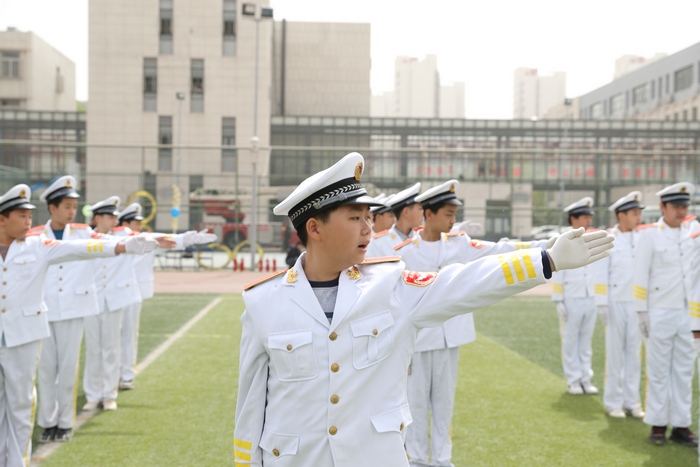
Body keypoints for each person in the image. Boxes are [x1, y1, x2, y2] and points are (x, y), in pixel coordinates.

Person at [233, 152, 613, 466]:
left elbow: (465, 281)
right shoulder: (264, 303)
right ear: (314, 228)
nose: (368, 229)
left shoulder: (391, 286)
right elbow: (250, 414)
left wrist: (545, 260)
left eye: (368, 217)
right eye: (355, 218)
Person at [0, 184, 161, 466]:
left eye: (29, 216)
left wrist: (123, 246)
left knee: (22, 403)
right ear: (2, 219)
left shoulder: (38, 245)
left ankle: (20, 459)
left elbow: (82, 247)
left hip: (27, 333)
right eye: (21, 216)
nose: (28, 221)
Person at [397, 179, 554, 467]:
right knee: (415, 402)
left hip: (449, 336)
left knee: (444, 402)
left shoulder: (460, 243)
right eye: (448, 213)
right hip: (418, 340)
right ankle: (417, 460)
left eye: (454, 214)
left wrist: (546, 247)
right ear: (428, 214)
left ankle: (442, 459)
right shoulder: (404, 251)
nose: (453, 219)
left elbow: (501, 250)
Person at [33, 176, 103, 443]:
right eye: (67, 206)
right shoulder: (36, 236)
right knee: (46, 370)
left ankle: (64, 423)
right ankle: (47, 422)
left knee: (68, 369)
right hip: (44, 309)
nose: (72, 212)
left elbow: (111, 243)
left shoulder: (85, 233)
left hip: (73, 308)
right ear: (52, 208)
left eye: (75, 206)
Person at [634, 182, 697, 446]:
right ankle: (658, 424)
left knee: (684, 371)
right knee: (658, 370)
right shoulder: (650, 235)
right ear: (662, 207)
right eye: (675, 206)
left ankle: (681, 425)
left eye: (684, 206)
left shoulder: (693, 233)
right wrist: (641, 311)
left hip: (687, 313)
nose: (681, 211)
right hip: (659, 311)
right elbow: (641, 274)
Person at [593, 191, 645, 419]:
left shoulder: (643, 238)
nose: (638, 218)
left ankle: (632, 402)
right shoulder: (609, 239)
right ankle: (613, 401)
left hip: (636, 304)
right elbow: (600, 272)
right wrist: (602, 303)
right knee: (615, 354)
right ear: (621, 215)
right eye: (634, 213)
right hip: (615, 303)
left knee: (634, 354)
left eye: (639, 213)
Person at [551, 197, 600, 395]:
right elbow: (558, 271)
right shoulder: (563, 241)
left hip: (590, 296)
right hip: (571, 297)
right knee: (571, 341)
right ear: (573, 219)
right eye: (584, 217)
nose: (588, 220)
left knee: (585, 342)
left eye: (589, 217)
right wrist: (558, 300)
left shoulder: (593, 238)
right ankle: (573, 380)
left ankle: (585, 379)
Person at [365, 183, 422, 257]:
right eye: (420, 209)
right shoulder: (378, 243)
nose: (422, 213)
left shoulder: (423, 239)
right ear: (406, 212)